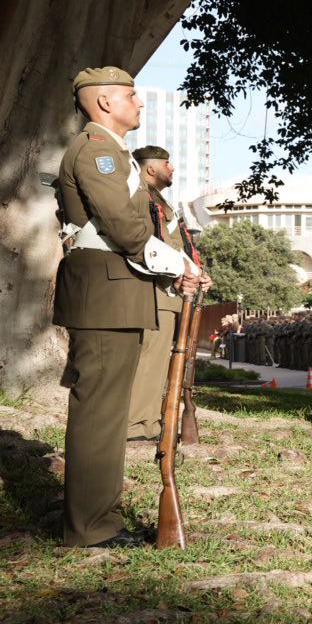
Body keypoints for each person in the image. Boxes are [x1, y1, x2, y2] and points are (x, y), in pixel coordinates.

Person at [54, 67, 200, 548]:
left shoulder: (113, 154)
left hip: (116, 290)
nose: (139, 103)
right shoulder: (99, 151)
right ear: (103, 104)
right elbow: (127, 229)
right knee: (100, 411)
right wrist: (176, 263)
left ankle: (94, 516)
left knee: (108, 411)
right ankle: (91, 527)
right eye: (130, 96)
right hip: (106, 292)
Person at [123, 145, 189, 443]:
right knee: (150, 359)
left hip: (166, 287)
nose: (171, 168)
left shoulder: (159, 198)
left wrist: (191, 270)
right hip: (153, 286)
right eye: (167, 162)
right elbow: (147, 240)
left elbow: (175, 243)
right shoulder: (141, 194)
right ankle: (137, 426)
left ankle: (149, 423)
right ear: (150, 168)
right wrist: (176, 272)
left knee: (160, 360)